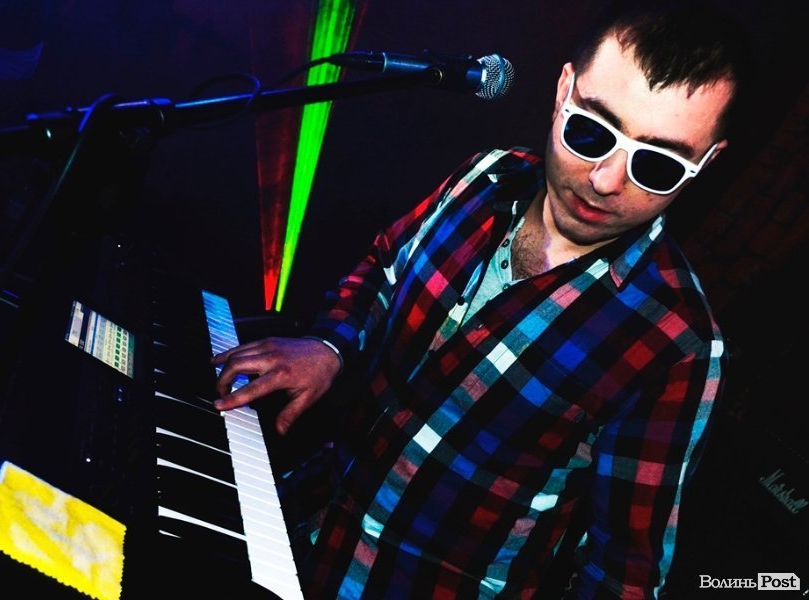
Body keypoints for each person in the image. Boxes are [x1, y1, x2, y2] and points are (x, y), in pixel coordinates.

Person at [213, 2, 750, 598]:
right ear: (564, 90)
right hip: (290, 523)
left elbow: (623, 573)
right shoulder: (485, 176)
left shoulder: (677, 344)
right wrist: (331, 344)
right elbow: (384, 269)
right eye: (592, 131)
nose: (604, 180)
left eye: (656, 165)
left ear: (705, 161)